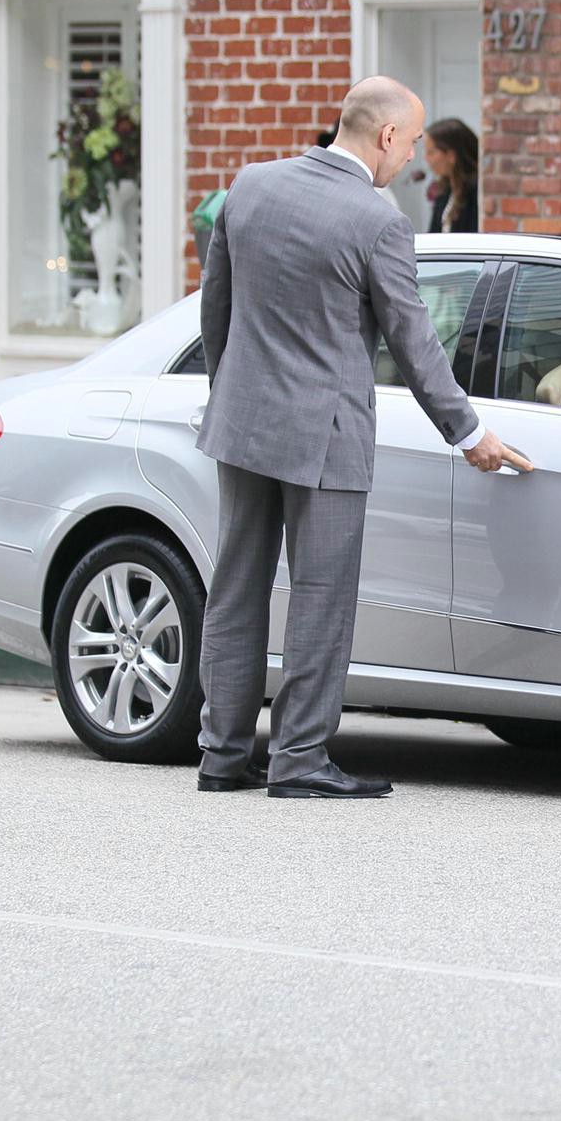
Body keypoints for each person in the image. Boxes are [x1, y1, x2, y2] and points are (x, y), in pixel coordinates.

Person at [195, 76, 530, 799]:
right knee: (320, 596)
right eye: (410, 144)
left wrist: (232, 394)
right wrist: (469, 432)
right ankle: (300, 760)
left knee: (235, 591)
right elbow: (415, 343)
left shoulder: (250, 186)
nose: (410, 160)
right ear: (384, 137)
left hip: (242, 423)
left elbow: (214, 306)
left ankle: (221, 756)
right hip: (327, 436)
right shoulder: (376, 222)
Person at [423, 118, 479, 234]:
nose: (426, 159)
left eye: (431, 152)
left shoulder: (475, 190)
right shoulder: (444, 189)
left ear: (451, 155)